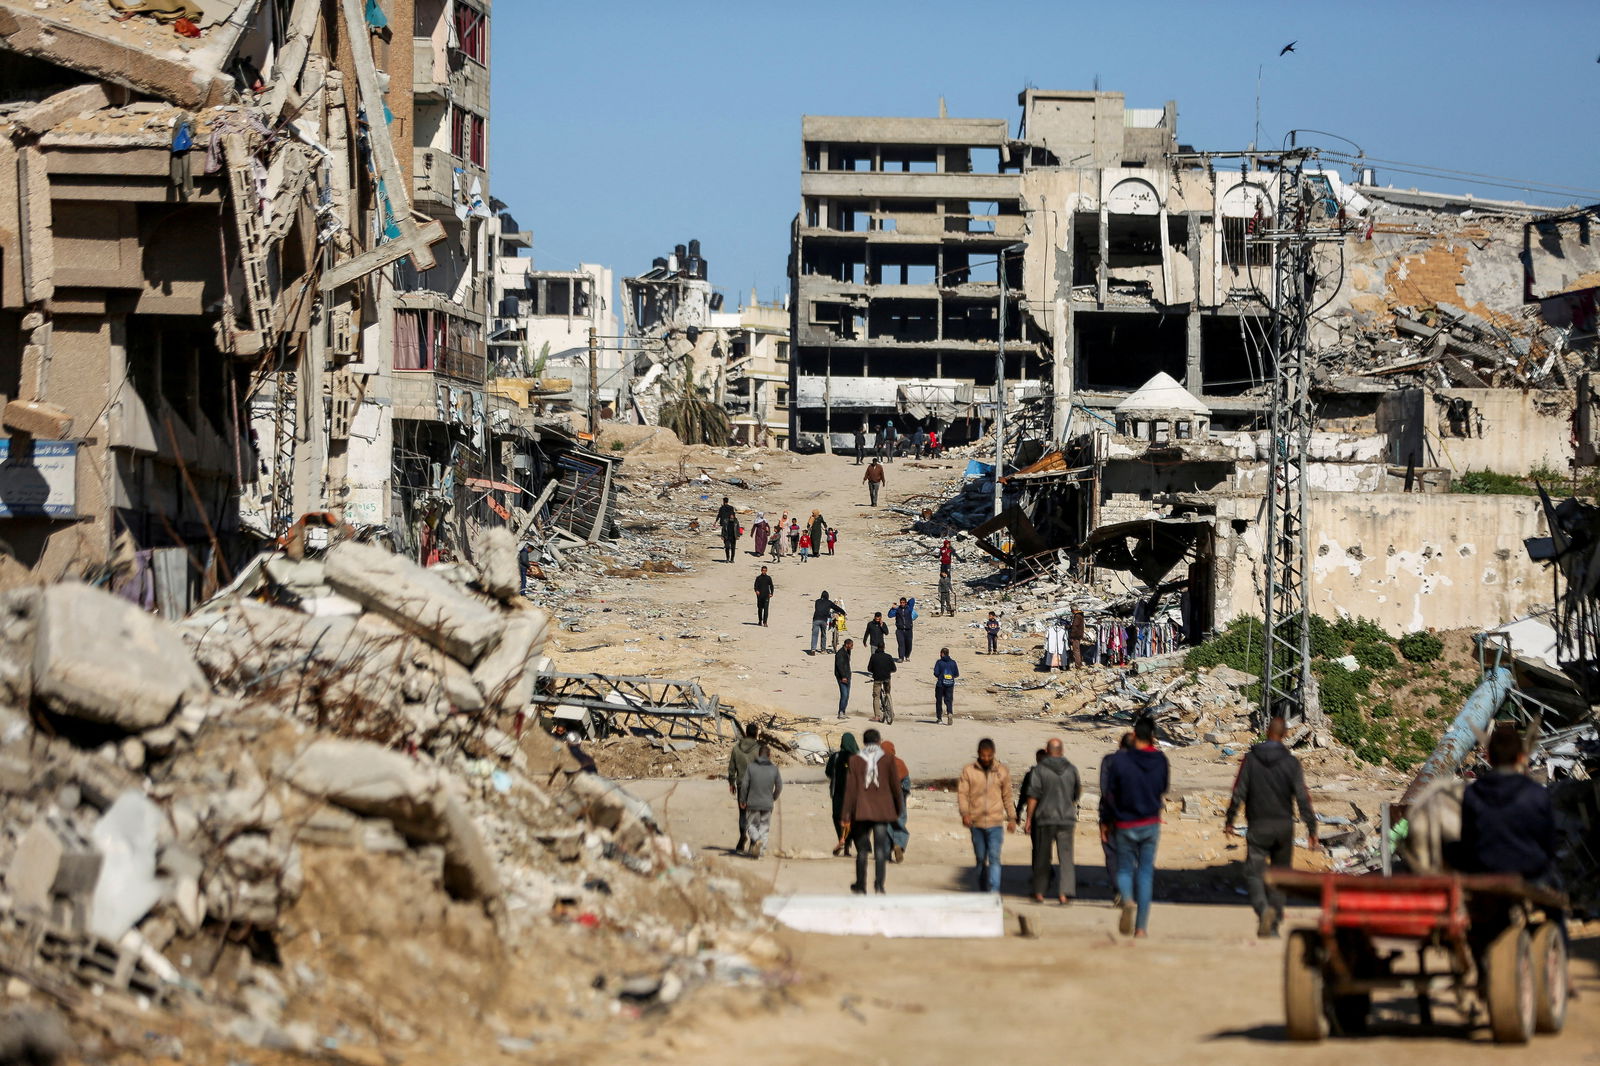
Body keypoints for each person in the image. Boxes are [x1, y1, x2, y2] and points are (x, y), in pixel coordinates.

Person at [1224, 716, 1319, 937]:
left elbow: (1239, 792)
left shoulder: (1250, 759)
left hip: (1258, 825)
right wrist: (1312, 830)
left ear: (1267, 732)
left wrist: (1230, 820)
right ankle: (1274, 924)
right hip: (1284, 826)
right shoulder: (1291, 762)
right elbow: (1303, 798)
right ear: (1285, 734)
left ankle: (1262, 909)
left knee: (1254, 874)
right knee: (1281, 875)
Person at [1459, 724, 1556, 882]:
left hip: (1486, 872)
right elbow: (1549, 842)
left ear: (1489, 757)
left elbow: (1467, 842)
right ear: (1521, 757)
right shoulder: (1537, 793)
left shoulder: (1472, 793)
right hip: (1530, 873)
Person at [1105, 715, 1169, 937]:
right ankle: (1141, 928)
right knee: (1145, 874)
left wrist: (1107, 821)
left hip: (1125, 822)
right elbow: (1162, 788)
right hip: (1151, 823)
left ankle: (1128, 899)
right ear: (1153, 737)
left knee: (1124, 869)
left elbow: (1110, 794)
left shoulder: (1121, 760)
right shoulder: (1160, 760)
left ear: (1134, 735)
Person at [839, 728, 905, 895]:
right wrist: (898, 808)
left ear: (864, 742)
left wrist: (846, 814)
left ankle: (861, 885)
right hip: (882, 811)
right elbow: (895, 787)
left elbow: (850, 790)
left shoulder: (855, 760)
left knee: (862, 851)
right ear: (878, 741)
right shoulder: (888, 759)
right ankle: (879, 886)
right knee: (881, 850)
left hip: (861, 811)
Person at [1024, 738, 1082, 905]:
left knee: (1042, 856)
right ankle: (1064, 894)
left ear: (1047, 751)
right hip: (1066, 818)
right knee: (1066, 857)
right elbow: (1076, 794)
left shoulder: (1039, 770)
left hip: (1045, 817)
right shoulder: (1071, 770)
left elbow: (1033, 796)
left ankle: (1040, 893)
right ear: (1062, 751)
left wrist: (1029, 818)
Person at [958, 739, 1015, 893]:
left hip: (995, 822)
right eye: (983, 755)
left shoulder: (1001, 772)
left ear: (993, 754)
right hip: (976, 823)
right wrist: (965, 813)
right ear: (978, 754)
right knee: (980, 859)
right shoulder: (969, 771)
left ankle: (994, 891)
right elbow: (963, 794)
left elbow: (1007, 796)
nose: (986, 758)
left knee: (995, 857)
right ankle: (983, 890)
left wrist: (1011, 818)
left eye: (989, 755)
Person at [1099, 732, 1137, 906]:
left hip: (1112, 813)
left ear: (1119, 744)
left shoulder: (1109, 761)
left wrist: (1105, 818)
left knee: (1112, 852)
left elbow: (1105, 789)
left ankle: (1119, 891)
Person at [738, 743, 783, 860]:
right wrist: (773, 797)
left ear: (758, 755)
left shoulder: (751, 767)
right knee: (765, 827)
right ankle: (760, 852)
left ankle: (756, 839)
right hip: (767, 803)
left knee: (751, 825)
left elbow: (744, 785)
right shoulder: (774, 769)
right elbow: (779, 786)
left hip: (752, 803)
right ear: (769, 755)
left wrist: (742, 799)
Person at [727, 722, 762, 854]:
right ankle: (753, 843)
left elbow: (731, 769)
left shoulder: (736, 748)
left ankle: (742, 836)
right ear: (756, 734)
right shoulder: (759, 749)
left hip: (742, 786)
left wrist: (731, 783)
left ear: (746, 733)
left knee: (743, 813)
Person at [825, 733, 860, 857]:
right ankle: (847, 846)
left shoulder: (835, 756)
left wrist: (836, 776)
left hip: (837, 792)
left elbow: (828, 772)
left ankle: (841, 839)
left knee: (837, 816)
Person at [883, 740, 911, 863]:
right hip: (899, 796)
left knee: (886, 824)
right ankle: (898, 843)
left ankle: (886, 853)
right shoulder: (900, 763)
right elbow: (906, 783)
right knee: (899, 821)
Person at [867, 643, 897, 724]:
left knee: (876, 697)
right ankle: (891, 712)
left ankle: (877, 716)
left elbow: (869, 669)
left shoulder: (873, 656)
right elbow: (894, 669)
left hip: (877, 679)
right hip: (887, 678)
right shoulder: (888, 656)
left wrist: (875, 670)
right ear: (884, 647)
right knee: (888, 693)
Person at [932, 647, 959, 725]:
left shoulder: (939, 662)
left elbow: (936, 673)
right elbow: (956, 674)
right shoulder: (953, 662)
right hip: (950, 684)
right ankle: (950, 713)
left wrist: (941, 676)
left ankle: (939, 718)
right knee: (949, 700)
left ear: (942, 654)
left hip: (940, 685)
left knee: (939, 701)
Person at [888, 596, 916, 662]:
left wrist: (897, 606)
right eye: (901, 603)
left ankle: (907, 655)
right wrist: (892, 608)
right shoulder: (897, 610)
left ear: (906, 603)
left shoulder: (909, 608)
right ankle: (901, 657)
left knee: (909, 644)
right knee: (901, 644)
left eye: (903, 602)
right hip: (900, 630)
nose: (902, 604)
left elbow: (912, 600)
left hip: (908, 630)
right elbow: (890, 615)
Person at [833, 638, 854, 719]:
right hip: (842, 677)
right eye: (851, 645)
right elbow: (839, 666)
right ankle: (841, 712)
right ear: (847, 645)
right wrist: (843, 676)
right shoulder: (840, 654)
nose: (852, 647)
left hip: (847, 675)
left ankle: (843, 711)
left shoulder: (847, 651)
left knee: (847, 695)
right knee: (844, 694)